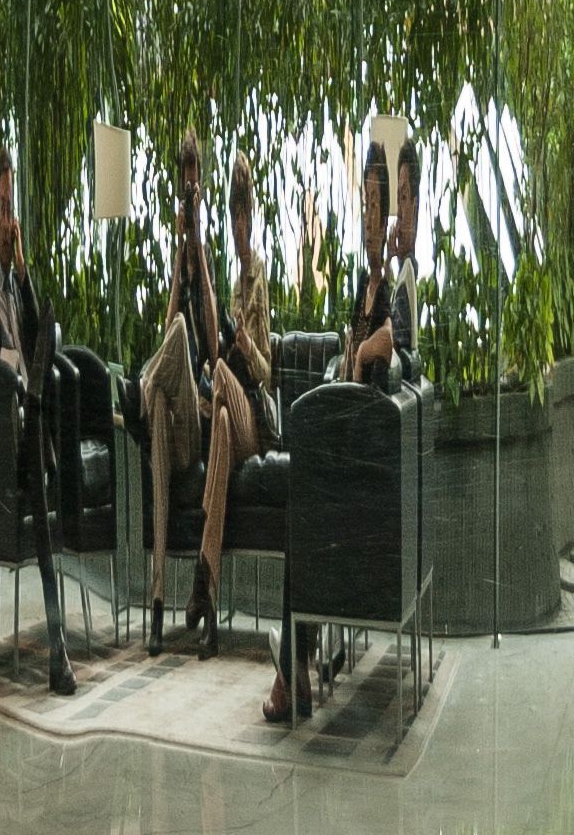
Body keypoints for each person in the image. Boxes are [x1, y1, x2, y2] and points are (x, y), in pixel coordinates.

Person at [263, 141, 394, 722]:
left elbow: (396, 355)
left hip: (367, 472)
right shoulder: (365, 287)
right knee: (301, 504)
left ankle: (293, 669)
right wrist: (351, 359)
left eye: (377, 207)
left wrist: (363, 355)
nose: (369, 220)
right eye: (364, 206)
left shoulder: (392, 290)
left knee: (302, 511)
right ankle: (296, 665)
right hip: (345, 452)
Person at [0, 145, 75, 696]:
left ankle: (61, 647)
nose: (8, 221)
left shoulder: (18, 285)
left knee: (48, 325)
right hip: (10, 431)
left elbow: (37, 333)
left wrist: (24, 270)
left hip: (32, 421)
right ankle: (58, 649)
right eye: (2, 208)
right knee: (33, 412)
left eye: (13, 209)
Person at [117, 128, 221, 656]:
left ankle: (136, 392)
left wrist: (198, 247)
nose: (189, 199)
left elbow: (215, 344)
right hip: (174, 422)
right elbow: (166, 333)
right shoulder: (178, 261)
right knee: (158, 404)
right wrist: (178, 260)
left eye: (194, 190)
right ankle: (158, 605)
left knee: (180, 335)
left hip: (199, 424)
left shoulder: (209, 257)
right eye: (184, 192)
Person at [183, 151, 272, 660]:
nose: (239, 228)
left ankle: (202, 580)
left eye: (244, 217)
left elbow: (265, 372)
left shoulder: (259, 278)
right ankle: (207, 594)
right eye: (233, 217)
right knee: (216, 419)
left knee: (218, 375)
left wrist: (245, 346)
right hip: (228, 420)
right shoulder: (230, 284)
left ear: (252, 219)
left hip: (252, 420)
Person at [389, 138, 420, 373]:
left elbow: (392, 346)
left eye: (403, 198)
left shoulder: (408, 273)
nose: (398, 213)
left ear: (414, 208)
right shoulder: (403, 271)